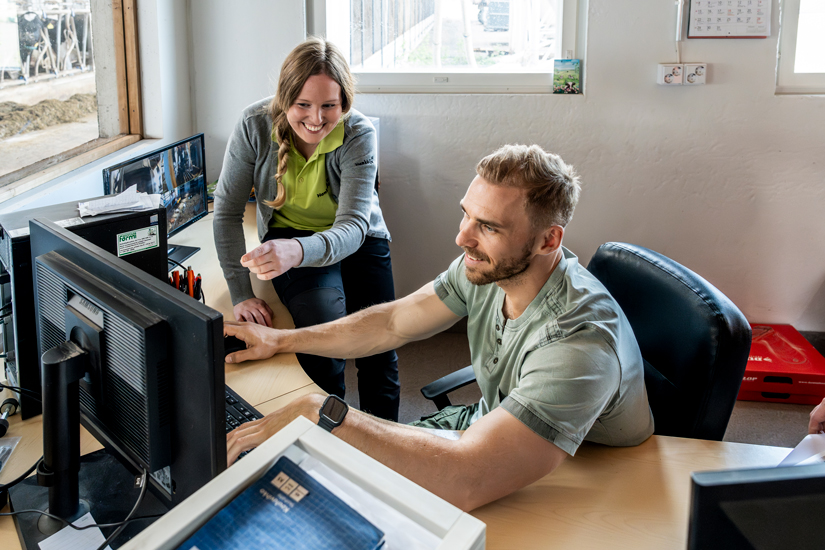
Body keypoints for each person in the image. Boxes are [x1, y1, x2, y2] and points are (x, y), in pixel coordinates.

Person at [225, 144, 655, 511]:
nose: (462, 238)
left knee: (343, 486)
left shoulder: (578, 344)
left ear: (548, 240)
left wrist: (324, 412)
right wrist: (282, 339)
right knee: (323, 473)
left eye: (487, 226)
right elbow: (393, 322)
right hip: (490, 427)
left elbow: (466, 476)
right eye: (467, 215)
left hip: (574, 473)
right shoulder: (488, 268)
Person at [213, 37, 400, 421]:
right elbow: (227, 213)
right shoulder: (253, 125)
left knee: (380, 344)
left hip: (358, 238)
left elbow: (352, 227)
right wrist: (240, 293)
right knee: (322, 339)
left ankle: (386, 443)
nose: (316, 119)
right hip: (292, 237)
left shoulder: (359, 133)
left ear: (344, 103)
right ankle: (330, 436)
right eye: (303, 105)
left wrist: (296, 252)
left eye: (329, 106)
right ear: (284, 99)